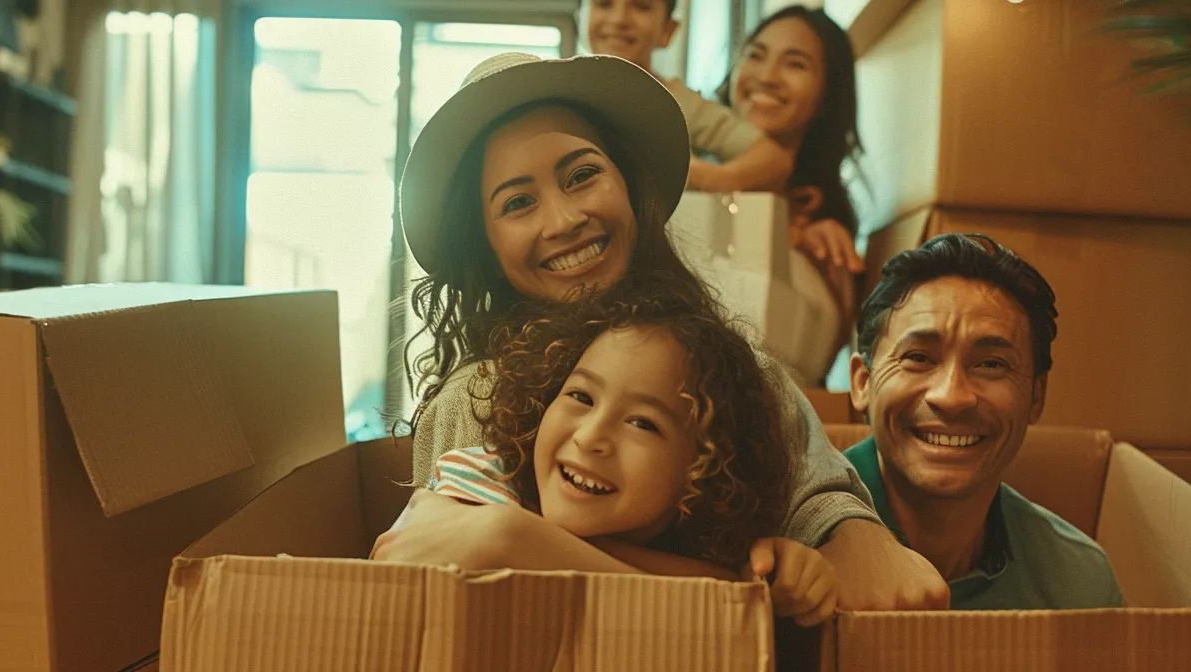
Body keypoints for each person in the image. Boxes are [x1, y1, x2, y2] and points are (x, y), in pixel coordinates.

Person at [371, 51, 949, 611]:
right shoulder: (478, 398)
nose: (565, 220)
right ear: (487, 248)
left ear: (630, 185)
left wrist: (852, 534)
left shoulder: (739, 371)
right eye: (518, 202)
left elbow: (817, 502)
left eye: (582, 175)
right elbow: (459, 580)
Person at [409, 280, 837, 625]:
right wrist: (509, 533)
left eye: (644, 424)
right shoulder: (484, 475)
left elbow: (732, 600)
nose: (592, 435)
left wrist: (519, 538)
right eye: (580, 395)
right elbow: (443, 546)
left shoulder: (699, 547)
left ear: (704, 469)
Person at [841, 233, 1124, 610]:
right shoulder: (793, 542)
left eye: (991, 364)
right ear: (863, 382)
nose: (952, 396)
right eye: (919, 357)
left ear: (1036, 397)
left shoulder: (1077, 584)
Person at [719, 7, 867, 379]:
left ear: (826, 96)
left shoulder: (824, 237)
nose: (767, 76)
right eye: (756, 54)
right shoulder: (675, 177)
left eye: (795, 64)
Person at [585, 0, 792, 193]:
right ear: (582, 16)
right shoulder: (559, 93)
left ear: (668, 31)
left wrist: (699, 176)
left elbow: (773, 160)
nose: (619, 19)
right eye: (604, 4)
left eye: (641, 7)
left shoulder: (678, 102)